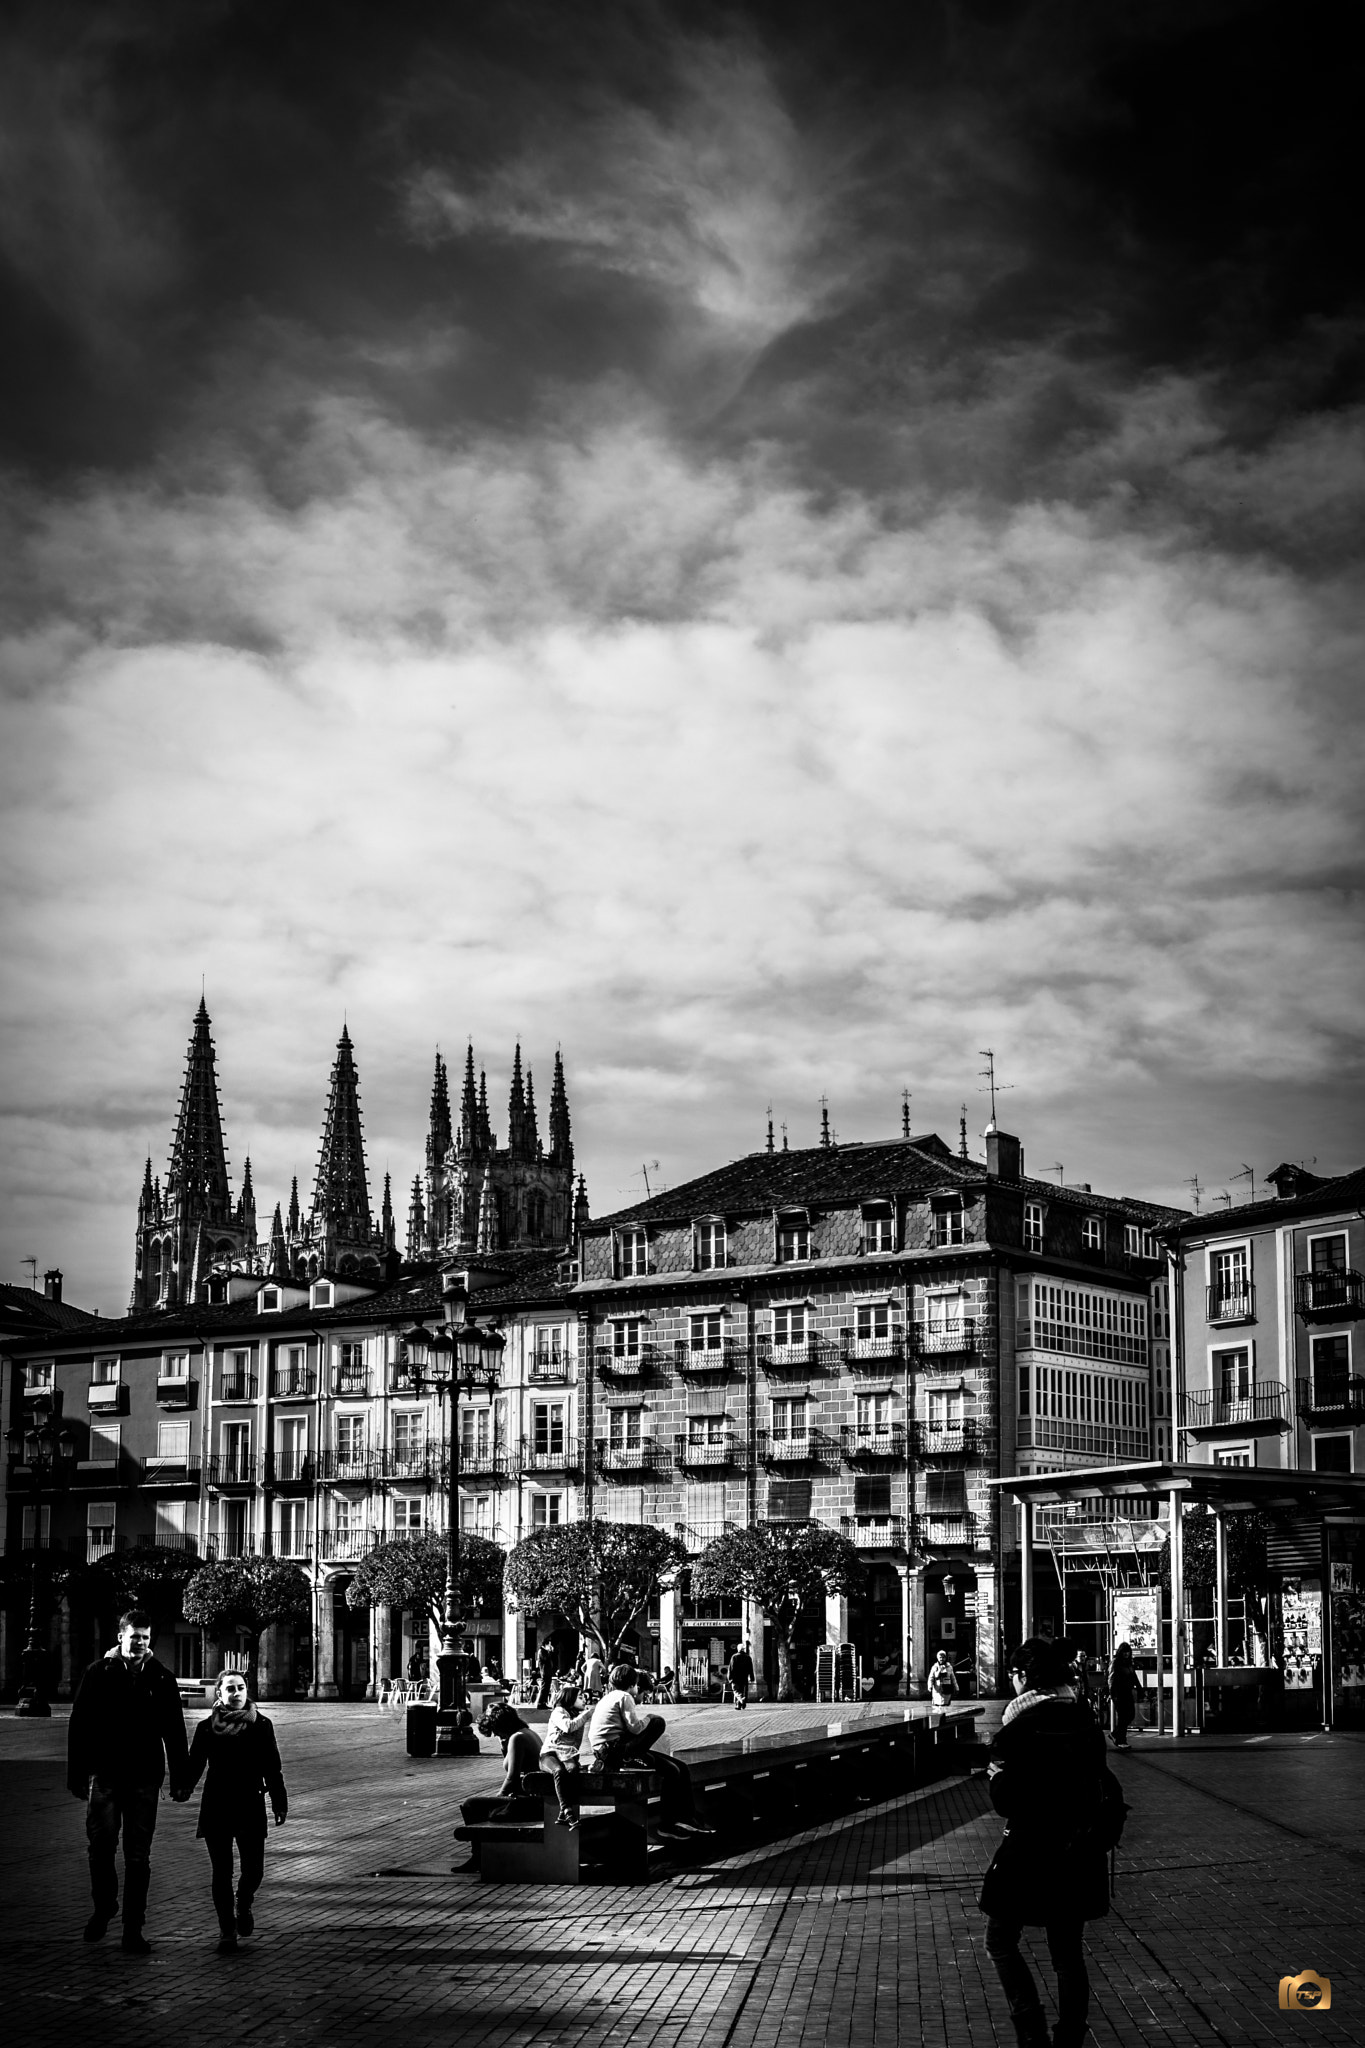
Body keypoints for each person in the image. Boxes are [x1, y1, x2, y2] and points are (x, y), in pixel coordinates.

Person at [980, 1636, 1127, 2048]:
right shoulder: (1083, 1718)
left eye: (1013, 1674)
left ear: (1024, 1677)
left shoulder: (1020, 1725)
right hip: (1079, 1850)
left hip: (1030, 1851)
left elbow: (1010, 1800)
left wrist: (997, 1778)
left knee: (1000, 1939)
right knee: (1067, 1954)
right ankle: (1070, 2037)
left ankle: (1030, 2027)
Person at [67, 1608, 190, 1956]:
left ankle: (133, 1928)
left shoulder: (161, 1678)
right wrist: (77, 1774)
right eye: (134, 1636)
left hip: (144, 1779)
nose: (140, 1643)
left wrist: (180, 1778)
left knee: (138, 1856)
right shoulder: (98, 1673)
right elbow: (79, 1724)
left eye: (146, 1638)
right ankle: (104, 1906)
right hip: (104, 1775)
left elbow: (174, 1731)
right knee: (100, 1847)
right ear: (121, 1636)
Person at [173, 1671, 287, 1953]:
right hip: (218, 1805)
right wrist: (184, 1786)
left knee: (254, 1870)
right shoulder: (207, 1728)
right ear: (219, 1693)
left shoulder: (261, 1725)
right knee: (221, 1872)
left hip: (250, 1803)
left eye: (241, 1688)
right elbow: (196, 1763)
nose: (236, 1693)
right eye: (230, 1689)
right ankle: (227, 1929)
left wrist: (279, 1799)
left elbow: (272, 1765)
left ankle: (244, 1901)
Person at [541, 1682, 592, 1827]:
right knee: (558, 1771)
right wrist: (586, 1714)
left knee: (572, 1770)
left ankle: (562, 1815)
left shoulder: (577, 1716)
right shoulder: (559, 1711)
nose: (584, 1700)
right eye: (581, 1697)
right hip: (549, 1755)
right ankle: (567, 1810)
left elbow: (575, 1744)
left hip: (567, 1755)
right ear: (570, 1699)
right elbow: (568, 1726)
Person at [1109, 1641, 1138, 1749]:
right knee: (1123, 1717)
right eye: (1124, 1652)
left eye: (1128, 1652)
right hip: (1119, 1693)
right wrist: (1113, 1694)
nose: (1126, 1654)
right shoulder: (1116, 1662)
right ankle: (1121, 1740)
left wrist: (1139, 1688)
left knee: (1130, 1715)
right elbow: (1111, 1679)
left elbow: (1133, 1676)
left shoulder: (1129, 1663)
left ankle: (1116, 1734)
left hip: (1127, 1692)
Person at [929, 1648, 958, 1718]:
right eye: (940, 1657)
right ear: (937, 1658)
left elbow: (953, 1678)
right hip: (937, 1690)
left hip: (946, 1689)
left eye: (943, 1657)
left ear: (945, 1658)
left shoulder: (949, 1667)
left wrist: (956, 1687)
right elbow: (931, 1678)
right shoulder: (934, 1667)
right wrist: (930, 1686)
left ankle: (944, 1720)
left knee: (945, 1706)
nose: (941, 1659)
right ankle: (937, 1720)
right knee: (937, 1706)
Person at [728, 1640, 754, 1712]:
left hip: (735, 1678)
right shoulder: (748, 1657)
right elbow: (750, 1668)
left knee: (736, 1691)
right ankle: (739, 1705)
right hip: (744, 1677)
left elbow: (731, 1668)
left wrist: (730, 1678)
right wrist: (751, 1677)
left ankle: (741, 1698)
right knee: (741, 1690)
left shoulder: (734, 1657)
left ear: (738, 1649)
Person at [535, 1636, 558, 1708]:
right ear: (545, 1644)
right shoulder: (542, 1651)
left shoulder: (545, 1651)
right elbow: (545, 1659)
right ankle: (540, 1703)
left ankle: (543, 1703)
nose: (550, 1646)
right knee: (544, 1688)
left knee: (547, 1688)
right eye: (549, 1644)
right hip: (545, 1672)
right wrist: (550, 1652)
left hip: (548, 1672)